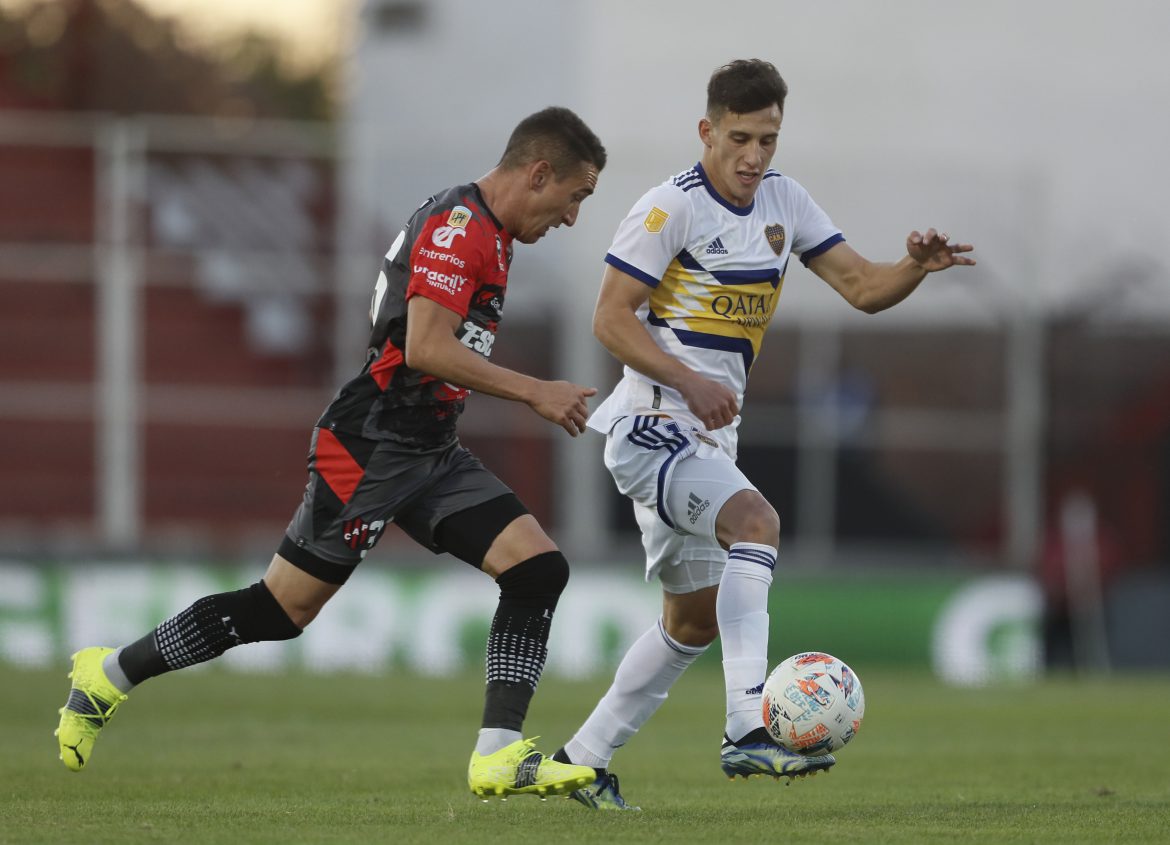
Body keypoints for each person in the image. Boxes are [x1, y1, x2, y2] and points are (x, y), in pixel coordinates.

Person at [55, 106, 609, 802]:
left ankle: (497, 754)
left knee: (536, 569)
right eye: (575, 196)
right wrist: (536, 392)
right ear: (539, 171)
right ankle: (108, 675)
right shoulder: (460, 229)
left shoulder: (492, 235)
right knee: (280, 611)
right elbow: (426, 347)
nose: (572, 215)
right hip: (371, 444)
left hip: (429, 447)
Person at [552, 60, 976, 811]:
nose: (754, 156)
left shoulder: (785, 200)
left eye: (768, 139)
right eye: (741, 138)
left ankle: (582, 760)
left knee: (691, 621)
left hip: (708, 435)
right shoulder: (667, 209)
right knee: (759, 523)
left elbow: (861, 287)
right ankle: (748, 726)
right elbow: (609, 318)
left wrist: (913, 266)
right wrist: (688, 379)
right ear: (708, 131)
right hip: (653, 422)